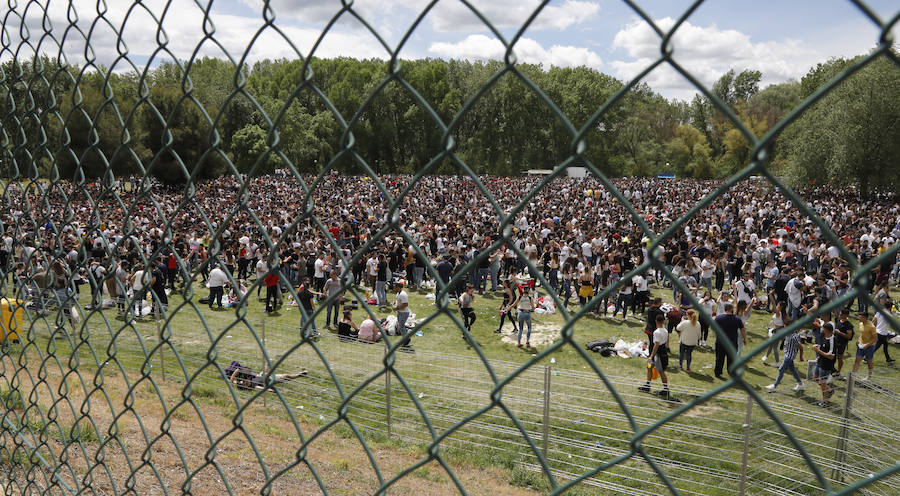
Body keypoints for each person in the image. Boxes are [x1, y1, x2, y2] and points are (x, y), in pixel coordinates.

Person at [765, 324, 805, 392]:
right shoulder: (787, 333)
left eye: (785, 326)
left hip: (789, 356)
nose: (784, 327)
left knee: (781, 369)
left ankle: (774, 386)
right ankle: (800, 384)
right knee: (793, 370)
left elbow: (801, 347)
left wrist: (801, 357)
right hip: (786, 354)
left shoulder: (794, 336)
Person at [638, 314, 670, 397]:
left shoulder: (656, 332)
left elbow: (656, 345)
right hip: (663, 352)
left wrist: (651, 356)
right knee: (649, 367)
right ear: (663, 321)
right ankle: (648, 385)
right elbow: (667, 341)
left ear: (656, 321)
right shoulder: (665, 330)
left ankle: (666, 389)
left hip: (657, 354)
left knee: (661, 371)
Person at [713, 302, 746, 379]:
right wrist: (744, 339)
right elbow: (742, 330)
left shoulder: (718, 318)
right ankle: (731, 372)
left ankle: (717, 372)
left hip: (720, 342)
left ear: (725, 308)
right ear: (731, 309)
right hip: (732, 342)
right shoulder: (737, 319)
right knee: (731, 359)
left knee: (719, 358)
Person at [225, 361, 306, 391]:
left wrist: (232, 379)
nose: (244, 381)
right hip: (268, 379)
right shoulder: (253, 385)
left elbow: (236, 374)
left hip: (261, 375)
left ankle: (268, 365)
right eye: (244, 383)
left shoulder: (243, 379)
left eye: (243, 381)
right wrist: (272, 391)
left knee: (264, 371)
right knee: (286, 376)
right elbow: (261, 388)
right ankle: (299, 375)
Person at [811, 322, 836, 407]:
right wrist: (817, 347)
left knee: (822, 383)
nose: (822, 329)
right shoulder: (823, 336)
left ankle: (824, 401)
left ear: (827, 330)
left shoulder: (833, 341)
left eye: (823, 328)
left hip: (826, 365)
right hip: (820, 361)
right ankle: (829, 390)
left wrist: (818, 351)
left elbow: (831, 356)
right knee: (815, 378)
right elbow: (822, 346)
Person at [507, 284, 535, 348]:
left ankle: (519, 343)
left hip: (520, 313)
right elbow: (533, 307)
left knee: (520, 329)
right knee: (529, 328)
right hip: (527, 313)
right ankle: (527, 341)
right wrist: (534, 307)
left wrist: (509, 308)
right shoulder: (530, 298)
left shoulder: (520, 297)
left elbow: (514, 304)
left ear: (523, 290)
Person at [852, 311, 877, 381]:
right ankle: (852, 377)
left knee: (869, 362)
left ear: (865, 318)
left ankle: (869, 377)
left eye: (860, 317)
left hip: (869, 347)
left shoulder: (871, 327)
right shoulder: (860, 324)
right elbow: (861, 334)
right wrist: (858, 340)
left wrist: (867, 345)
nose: (859, 318)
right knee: (857, 361)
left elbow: (875, 338)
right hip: (860, 346)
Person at [832, 308, 854, 378]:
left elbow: (849, 336)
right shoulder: (838, 320)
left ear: (846, 315)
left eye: (841, 314)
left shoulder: (848, 325)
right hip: (835, 341)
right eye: (840, 314)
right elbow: (835, 315)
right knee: (832, 356)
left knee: (840, 358)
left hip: (842, 343)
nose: (840, 315)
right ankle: (832, 370)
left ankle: (838, 372)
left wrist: (839, 332)